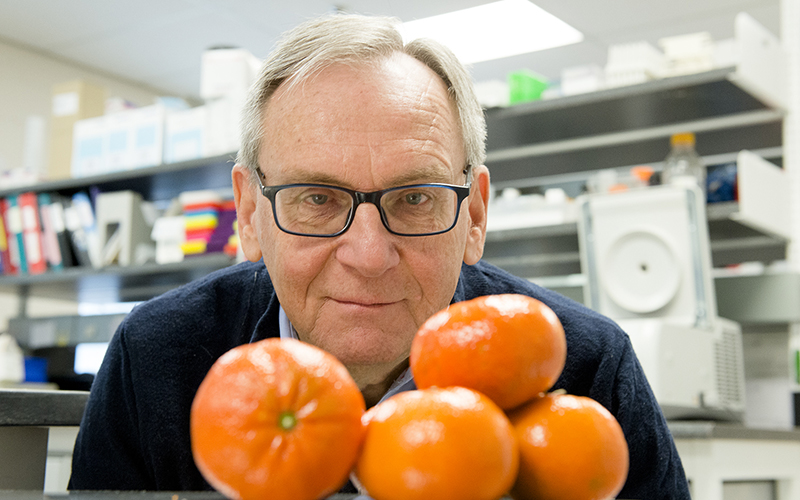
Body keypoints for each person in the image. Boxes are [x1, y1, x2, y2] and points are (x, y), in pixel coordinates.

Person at [69, 13, 690, 499]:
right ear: (250, 214)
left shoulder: (582, 371)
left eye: (416, 197)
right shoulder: (155, 359)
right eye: (316, 198)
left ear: (473, 215)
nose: (369, 255)